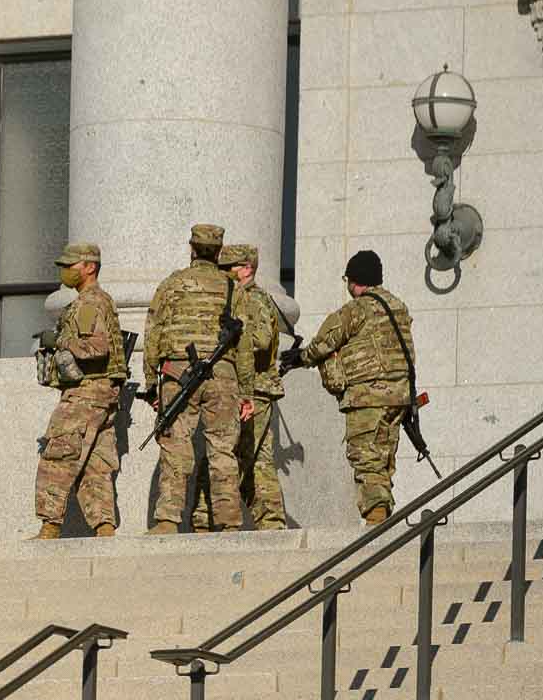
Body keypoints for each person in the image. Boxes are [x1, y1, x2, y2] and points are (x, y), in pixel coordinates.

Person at [284, 249, 414, 526]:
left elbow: (325, 342)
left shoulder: (356, 309)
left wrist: (301, 358)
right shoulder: (398, 306)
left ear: (355, 280)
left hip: (368, 396)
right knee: (383, 459)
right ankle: (381, 514)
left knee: (366, 457)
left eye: (347, 279)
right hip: (399, 396)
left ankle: (376, 520)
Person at [145, 223, 254, 535]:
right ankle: (229, 522)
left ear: (192, 248)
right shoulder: (233, 289)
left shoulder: (172, 284)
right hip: (223, 375)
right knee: (222, 449)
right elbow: (243, 344)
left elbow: (153, 334)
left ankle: (167, 520)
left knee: (175, 446)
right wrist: (246, 391)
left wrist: (151, 382)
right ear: (219, 252)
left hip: (178, 374)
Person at [194, 244, 291, 530]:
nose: (223, 273)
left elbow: (260, 340)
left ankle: (205, 521)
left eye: (229, 268)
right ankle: (271, 525)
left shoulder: (253, 298)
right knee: (255, 462)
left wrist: (237, 331)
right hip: (248, 389)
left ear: (247, 269)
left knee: (226, 455)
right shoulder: (239, 296)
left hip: (255, 390)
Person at [33, 242, 126, 539]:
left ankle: (49, 526)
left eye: (71, 265)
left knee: (58, 456)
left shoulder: (89, 303)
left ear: (89, 267)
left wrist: (59, 342)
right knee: (95, 465)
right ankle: (104, 529)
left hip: (86, 392)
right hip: (101, 394)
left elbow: (97, 348)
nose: (65, 271)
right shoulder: (94, 301)